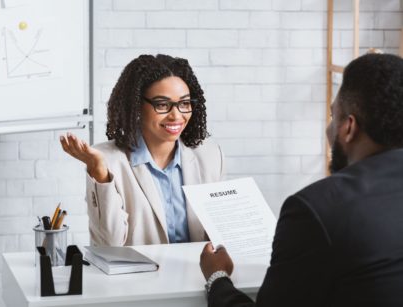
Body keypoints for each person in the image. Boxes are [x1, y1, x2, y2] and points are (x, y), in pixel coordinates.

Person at [199, 53, 403, 307]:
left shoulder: (316, 209)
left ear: (349, 127)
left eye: (333, 117)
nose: (329, 130)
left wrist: (217, 277)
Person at [60, 54, 225, 246]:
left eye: (184, 103)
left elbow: (218, 235)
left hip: (198, 273)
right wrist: (99, 173)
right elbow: (110, 245)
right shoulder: (108, 160)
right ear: (136, 106)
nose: (176, 115)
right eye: (162, 105)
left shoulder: (210, 156)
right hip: (140, 276)